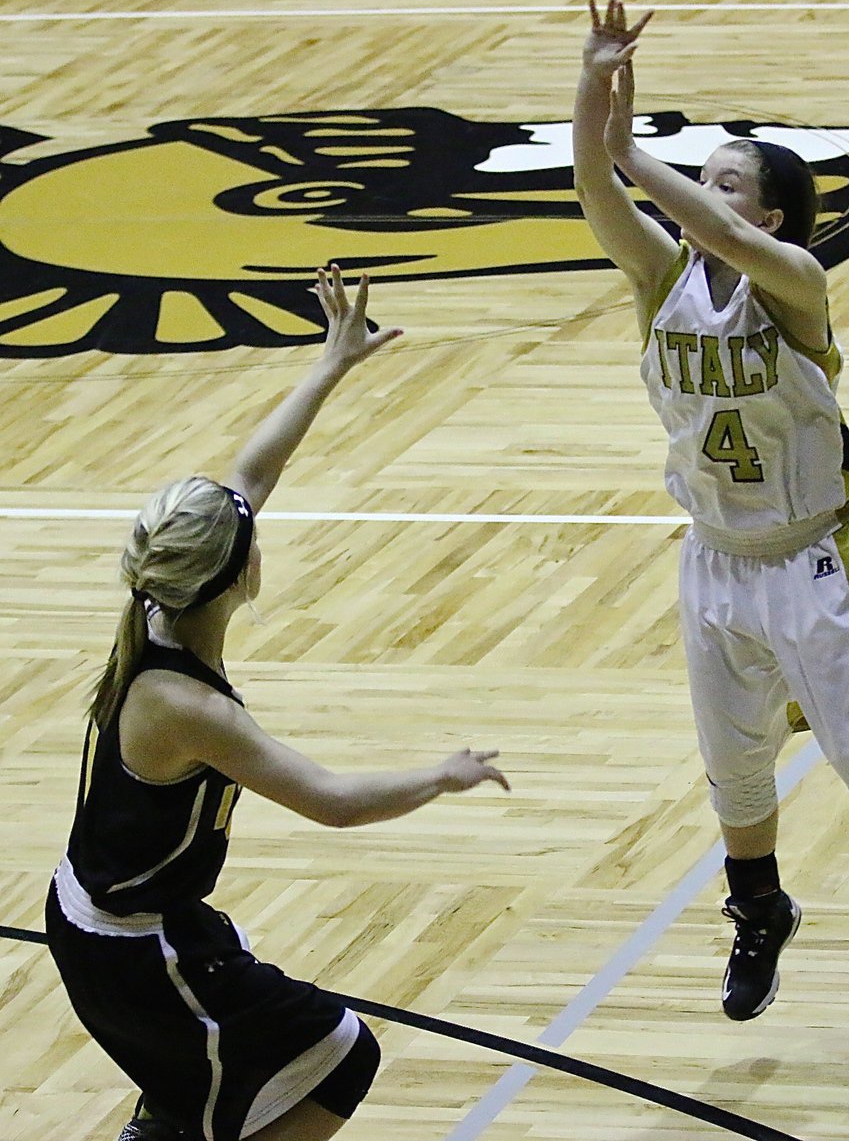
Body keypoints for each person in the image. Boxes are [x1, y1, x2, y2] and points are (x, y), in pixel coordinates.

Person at [572, 0, 849, 1042]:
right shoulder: (661, 279)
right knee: (731, 766)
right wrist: (595, 85)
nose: (710, 194)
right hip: (715, 559)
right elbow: (595, 187)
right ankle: (759, 911)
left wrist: (631, 142)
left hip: (814, 561)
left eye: (729, 179)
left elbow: (698, 218)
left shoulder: (797, 283)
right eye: (705, 173)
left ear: (770, 216)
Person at [45, 265, 511, 1141]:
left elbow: (252, 473)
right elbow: (330, 803)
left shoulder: (163, 609)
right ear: (242, 573)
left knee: (201, 1096)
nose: (256, 516)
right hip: (131, 947)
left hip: (128, 919)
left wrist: (332, 364)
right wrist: (439, 776)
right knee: (338, 1052)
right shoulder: (187, 708)